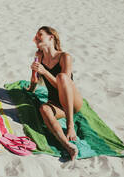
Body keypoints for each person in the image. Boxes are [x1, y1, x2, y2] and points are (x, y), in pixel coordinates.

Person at [27, 26, 83, 160]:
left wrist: (45, 72)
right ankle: (67, 145)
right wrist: (31, 84)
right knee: (43, 109)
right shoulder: (39, 56)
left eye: (40, 35)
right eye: (35, 36)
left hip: (72, 102)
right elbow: (35, 81)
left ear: (51, 37)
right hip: (57, 104)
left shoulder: (64, 57)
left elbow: (64, 85)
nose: (36, 38)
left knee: (62, 77)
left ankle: (70, 125)